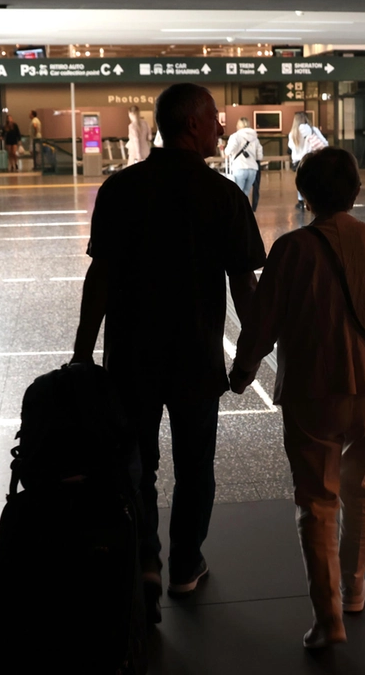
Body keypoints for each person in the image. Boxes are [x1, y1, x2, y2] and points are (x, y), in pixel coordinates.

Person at [230, 148, 365, 649]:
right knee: (363, 487)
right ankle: (355, 589)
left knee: (317, 500)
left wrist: (242, 374)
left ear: (304, 194)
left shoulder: (291, 250)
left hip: (314, 389)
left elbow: (261, 326)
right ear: (355, 193)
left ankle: (329, 618)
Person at [71, 83, 267, 622]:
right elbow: (245, 287)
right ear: (192, 126)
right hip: (196, 361)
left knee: (137, 466)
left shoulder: (120, 190)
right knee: (194, 467)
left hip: (131, 360)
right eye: (213, 121)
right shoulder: (223, 196)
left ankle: (145, 565)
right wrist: (249, 358)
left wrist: (83, 355)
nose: (220, 129)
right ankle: (186, 566)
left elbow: (101, 278)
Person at [224, 117, 264, 210]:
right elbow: (259, 156)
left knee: (237, 193)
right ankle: (244, 212)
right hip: (253, 169)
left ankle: (238, 214)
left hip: (239, 168)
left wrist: (226, 152)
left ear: (238, 126)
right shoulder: (255, 138)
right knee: (245, 193)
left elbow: (229, 150)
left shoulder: (235, 136)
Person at [288, 112, 325, 210]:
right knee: (314, 180)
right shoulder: (313, 130)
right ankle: (314, 200)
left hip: (298, 161)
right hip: (312, 159)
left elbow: (291, 147)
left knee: (300, 180)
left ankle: (301, 202)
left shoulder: (293, 133)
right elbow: (324, 143)